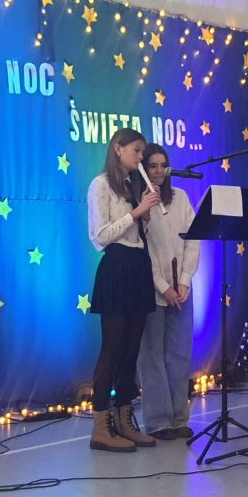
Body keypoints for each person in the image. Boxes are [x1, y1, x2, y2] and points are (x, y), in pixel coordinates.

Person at [86, 128, 161, 452]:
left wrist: (146, 214)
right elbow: (100, 236)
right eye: (136, 150)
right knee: (113, 349)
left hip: (138, 266)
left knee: (132, 351)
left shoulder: (134, 185)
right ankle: (101, 426)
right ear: (118, 149)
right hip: (116, 267)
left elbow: (138, 231)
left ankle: (125, 419)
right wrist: (136, 212)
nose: (141, 157)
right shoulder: (100, 185)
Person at [136, 143, 201, 440]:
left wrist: (184, 280)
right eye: (153, 166)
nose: (159, 171)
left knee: (179, 354)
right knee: (152, 357)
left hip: (181, 290)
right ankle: (159, 421)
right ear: (143, 169)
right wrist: (163, 287)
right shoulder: (141, 204)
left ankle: (178, 417)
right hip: (153, 292)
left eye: (163, 165)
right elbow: (143, 250)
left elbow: (193, 240)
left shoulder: (181, 198)